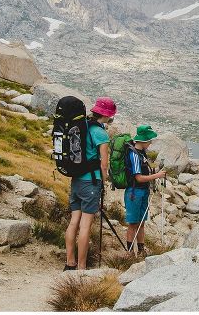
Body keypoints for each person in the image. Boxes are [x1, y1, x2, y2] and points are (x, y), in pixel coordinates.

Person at [64, 97, 116, 270]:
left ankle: (69, 262)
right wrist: (104, 181)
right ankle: (82, 267)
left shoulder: (82, 126)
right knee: (85, 225)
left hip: (76, 180)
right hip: (91, 182)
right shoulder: (101, 133)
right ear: (107, 115)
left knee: (74, 222)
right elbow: (103, 163)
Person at [125, 124, 165, 255]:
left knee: (141, 222)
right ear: (142, 140)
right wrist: (157, 176)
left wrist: (156, 173)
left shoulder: (142, 153)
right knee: (133, 223)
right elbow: (139, 178)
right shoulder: (134, 155)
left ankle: (141, 250)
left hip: (142, 192)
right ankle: (130, 252)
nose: (150, 143)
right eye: (149, 140)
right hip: (134, 192)